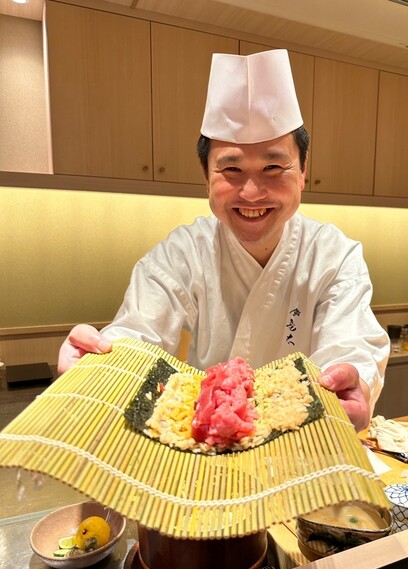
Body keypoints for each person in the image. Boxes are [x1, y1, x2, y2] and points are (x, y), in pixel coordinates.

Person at [58, 49, 389, 431]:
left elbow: (348, 346)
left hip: (305, 437)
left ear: (302, 172)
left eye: (273, 167)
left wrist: (352, 382)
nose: (251, 192)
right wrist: (97, 366)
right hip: (205, 439)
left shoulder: (333, 255)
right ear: (206, 178)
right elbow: (137, 337)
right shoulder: (180, 254)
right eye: (231, 169)